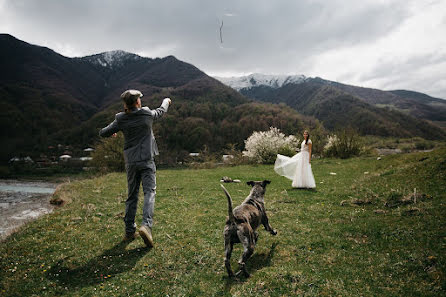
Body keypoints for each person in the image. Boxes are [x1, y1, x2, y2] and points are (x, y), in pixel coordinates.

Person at [99, 89, 171, 247]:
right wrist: (166, 100)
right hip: (146, 160)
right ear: (138, 102)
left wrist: (113, 132)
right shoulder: (146, 114)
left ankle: (129, 231)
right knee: (149, 193)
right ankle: (146, 226)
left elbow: (103, 133)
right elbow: (160, 111)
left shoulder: (120, 119)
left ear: (125, 104)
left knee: (132, 196)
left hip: (131, 162)